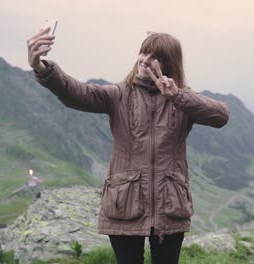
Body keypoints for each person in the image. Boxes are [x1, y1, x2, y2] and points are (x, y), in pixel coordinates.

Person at [27, 27, 230, 264]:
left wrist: (177, 96)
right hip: (124, 203)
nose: (145, 60)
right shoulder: (118, 95)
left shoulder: (181, 100)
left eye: (155, 56)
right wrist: (41, 67)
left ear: (169, 64)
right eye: (143, 53)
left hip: (170, 206)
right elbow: (75, 93)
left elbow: (221, 117)